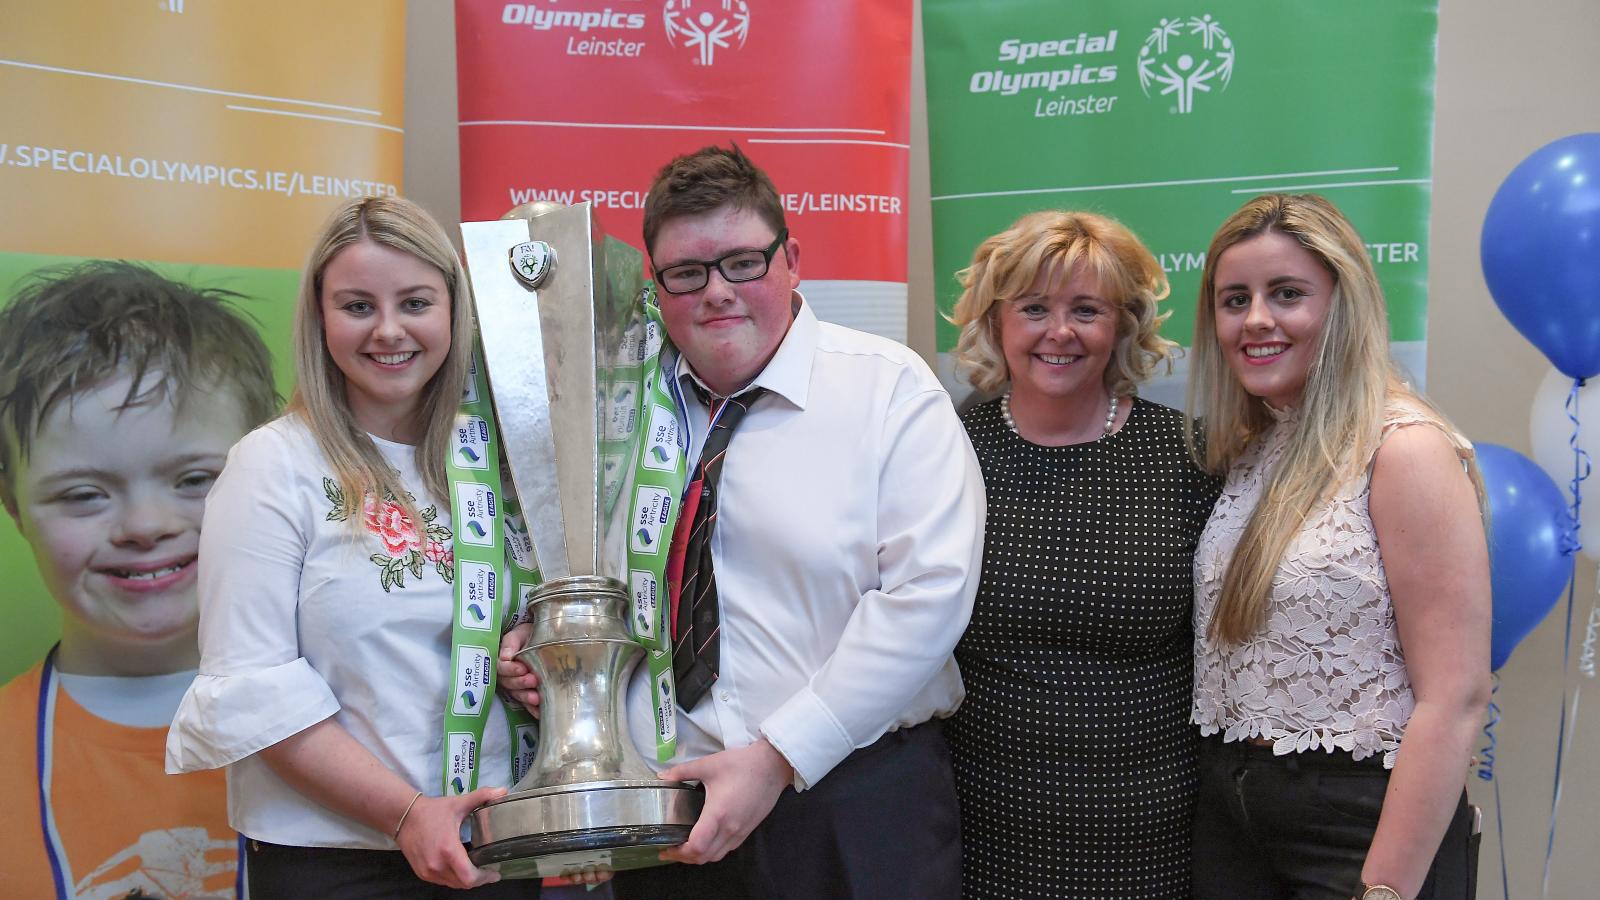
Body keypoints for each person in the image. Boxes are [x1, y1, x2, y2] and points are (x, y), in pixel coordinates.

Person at [500, 144, 986, 899]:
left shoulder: (888, 391)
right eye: (687, 274)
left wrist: (776, 758)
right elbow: (584, 573)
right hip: (668, 814)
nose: (716, 293)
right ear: (656, 287)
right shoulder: (622, 413)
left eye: (743, 263)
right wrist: (543, 653)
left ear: (791, 258)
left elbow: (926, 601)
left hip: (851, 803)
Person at [164, 197, 543, 898]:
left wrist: (526, 647)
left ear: (453, 313)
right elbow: (256, 690)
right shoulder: (272, 467)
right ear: (320, 318)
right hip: (338, 863)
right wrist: (406, 815)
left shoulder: (496, 462)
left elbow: (521, 614)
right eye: (358, 306)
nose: (390, 330)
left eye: (416, 302)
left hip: (493, 846)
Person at [1187, 193, 1489, 900]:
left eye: (1286, 294)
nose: (1256, 319)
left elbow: (1456, 695)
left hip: (1361, 829)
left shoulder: (1405, 449)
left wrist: (1384, 888)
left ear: (1343, 304)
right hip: (1233, 816)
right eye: (1235, 299)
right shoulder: (1254, 449)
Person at [944, 210, 1221, 898]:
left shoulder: (1190, 456)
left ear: (1123, 325)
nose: (1059, 332)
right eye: (1034, 308)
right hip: (982, 830)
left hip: (1154, 833)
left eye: (1086, 310)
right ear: (996, 321)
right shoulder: (944, 451)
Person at [0, 261, 277, 898]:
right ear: (13, 508)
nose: (146, 525)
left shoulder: (360, 718)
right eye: (84, 494)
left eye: (194, 480)